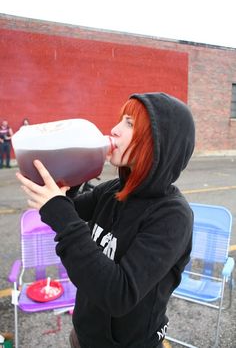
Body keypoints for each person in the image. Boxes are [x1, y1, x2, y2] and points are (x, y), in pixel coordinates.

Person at [16, 92, 195, 348]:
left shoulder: (172, 217)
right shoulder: (113, 190)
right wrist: (68, 174)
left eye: (130, 124)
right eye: (120, 120)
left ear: (158, 143)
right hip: (84, 335)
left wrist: (59, 209)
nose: (115, 129)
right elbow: (70, 212)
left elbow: (118, 294)